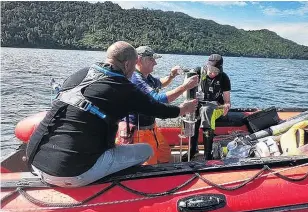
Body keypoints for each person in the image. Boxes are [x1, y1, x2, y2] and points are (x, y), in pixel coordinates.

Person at [25, 41, 197, 187]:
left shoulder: (80, 74)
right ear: (129, 64)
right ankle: (122, 186)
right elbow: (159, 109)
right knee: (146, 150)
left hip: (35, 161)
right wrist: (183, 109)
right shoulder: (122, 87)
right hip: (72, 173)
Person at [126, 46, 198, 164]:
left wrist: (172, 75)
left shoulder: (146, 76)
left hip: (151, 128)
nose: (155, 63)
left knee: (165, 155)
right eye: (151, 59)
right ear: (138, 60)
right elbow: (158, 100)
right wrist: (185, 86)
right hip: (139, 132)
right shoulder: (136, 78)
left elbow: (160, 83)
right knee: (148, 165)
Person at [187, 54, 231, 160]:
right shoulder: (197, 72)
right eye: (211, 70)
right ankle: (192, 150)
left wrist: (227, 106)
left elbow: (227, 101)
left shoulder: (224, 78)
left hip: (215, 106)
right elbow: (186, 92)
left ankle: (208, 154)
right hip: (198, 103)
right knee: (192, 111)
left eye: (216, 71)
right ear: (206, 66)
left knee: (206, 111)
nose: (213, 73)